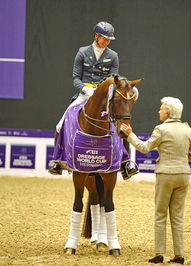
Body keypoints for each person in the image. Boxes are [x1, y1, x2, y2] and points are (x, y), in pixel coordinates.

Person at [49, 21, 138, 179]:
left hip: (104, 96)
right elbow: (75, 78)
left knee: (120, 124)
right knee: (60, 124)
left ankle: (127, 163)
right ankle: (56, 161)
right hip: (84, 93)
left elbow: (113, 80)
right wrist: (85, 89)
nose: (107, 41)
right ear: (96, 36)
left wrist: (103, 92)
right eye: (104, 38)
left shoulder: (113, 56)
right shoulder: (82, 53)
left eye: (109, 39)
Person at [120, 97, 191, 264]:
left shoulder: (161, 129)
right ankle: (179, 255)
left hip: (166, 175)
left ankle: (159, 254)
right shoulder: (187, 130)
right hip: (183, 174)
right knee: (177, 216)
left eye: (161, 109)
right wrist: (180, 160)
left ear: (168, 112)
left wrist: (129, 135)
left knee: (160, 214)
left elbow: (144, 148)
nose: (159, 111)